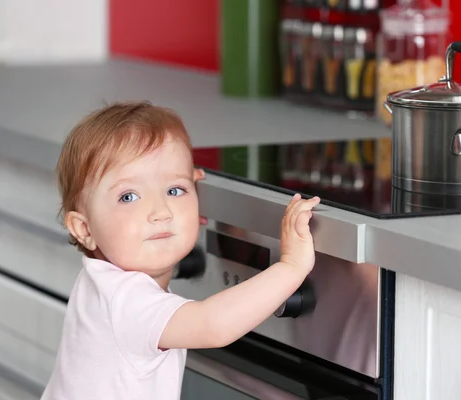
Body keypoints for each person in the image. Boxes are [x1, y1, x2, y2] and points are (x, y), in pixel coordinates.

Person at [40, 101, 321, 400]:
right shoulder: (127, 300)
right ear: (84, 229)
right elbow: (212, 326)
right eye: (129, 196)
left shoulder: (101, 280)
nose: (161, 211)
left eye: (174, 191)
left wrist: (185, 200)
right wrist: (291, 266)